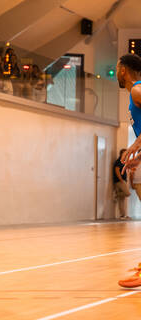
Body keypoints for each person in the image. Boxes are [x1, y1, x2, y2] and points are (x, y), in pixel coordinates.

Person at [116, 54, 141, 288]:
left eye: (117, 68)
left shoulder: (136, 90)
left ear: (123, 70)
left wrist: (136, 144)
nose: (116, 72)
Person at [113, 149, 131, 220]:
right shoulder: (118, 162)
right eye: (124, 153)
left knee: (122, 200)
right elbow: (117, 170)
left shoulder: (123, 162)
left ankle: (122, 215)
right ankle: (116, 195)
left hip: (122, 180)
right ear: (121, 154)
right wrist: (121, 180)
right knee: (127, 193)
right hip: (119, 181)